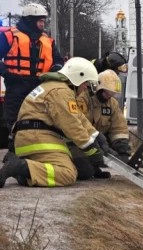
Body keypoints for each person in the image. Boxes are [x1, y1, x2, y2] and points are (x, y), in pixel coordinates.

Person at [0, 57, 109, 189]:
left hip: (30, 138)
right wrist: (90, 149)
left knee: (80, 168)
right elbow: (71, 124)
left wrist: (96, 135)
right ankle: (19, 166)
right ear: (77, 78)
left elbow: (78, 117)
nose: (85, 88)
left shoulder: (54, 88)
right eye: (85, 83)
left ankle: (26, 172)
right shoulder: (61, 92)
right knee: (67, 173)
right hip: (39, 139)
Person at [0, 3, 64, 147]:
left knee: (39, 122)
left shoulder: (47, 40)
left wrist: (55, 69)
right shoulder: (10, 35)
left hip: (39, 87)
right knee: (14, 123)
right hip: (16, 85)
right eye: (40, 21)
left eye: (43, 21)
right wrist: (6, 73)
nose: (43, 24)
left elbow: (58, 60)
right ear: (30, 20)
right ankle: (14, 154)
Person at [71, 69, 131, 179]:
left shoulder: (112, 103)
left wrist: (122, 149)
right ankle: (91, 167)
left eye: (112, 93)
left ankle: (94, 165)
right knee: (85, 172)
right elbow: (80, 125)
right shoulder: (83, 99)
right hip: (82, 142)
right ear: (98, 87)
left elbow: (119, 127)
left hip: (99, 142)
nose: (109, 96)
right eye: (107, 92)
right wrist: (99, 143)